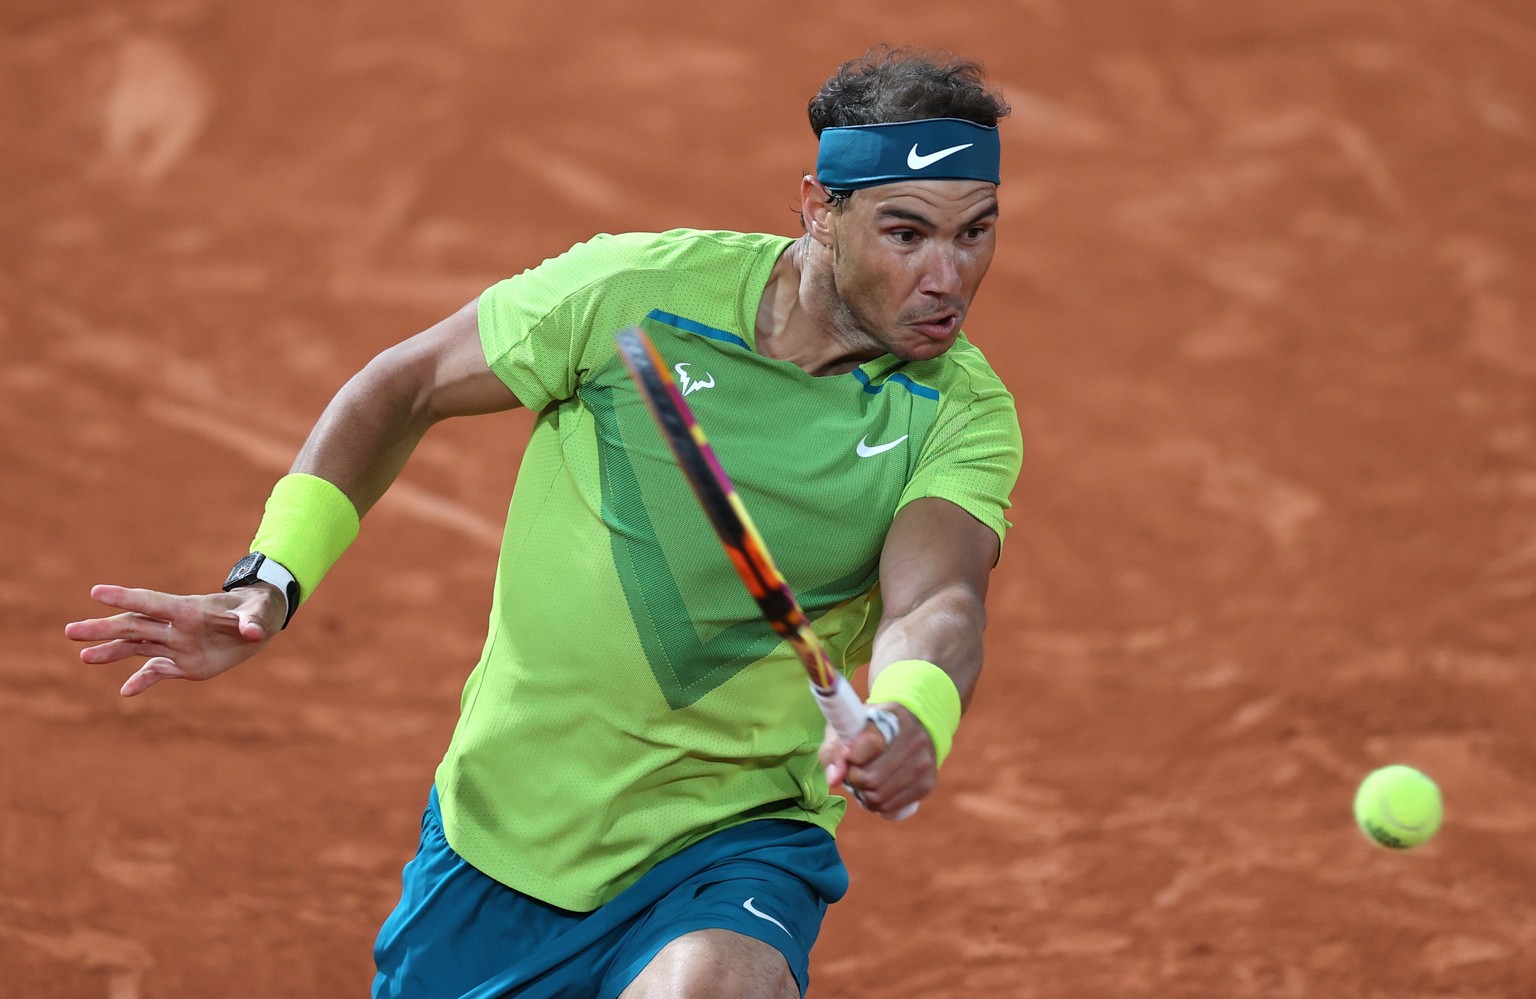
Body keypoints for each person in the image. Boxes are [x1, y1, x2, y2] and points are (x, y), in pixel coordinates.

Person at [66, 44, 1023, 999]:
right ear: (820, 208)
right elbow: (404, 387)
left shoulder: (962, 414)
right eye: (907, 234)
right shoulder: (636, 293)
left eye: (975, 233)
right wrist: (269, 580)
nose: (949, 276)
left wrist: (910, 712)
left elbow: (937, 596)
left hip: (733, 836)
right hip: (504, 830)